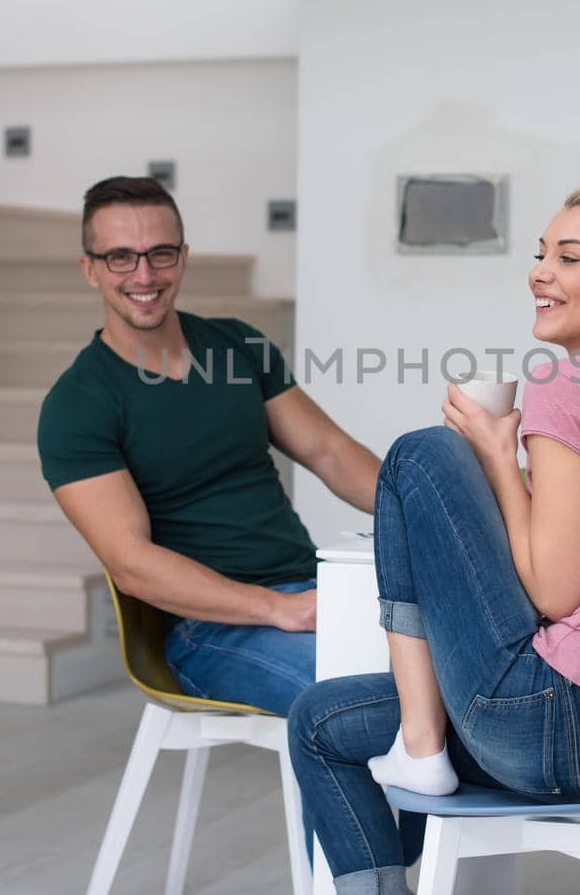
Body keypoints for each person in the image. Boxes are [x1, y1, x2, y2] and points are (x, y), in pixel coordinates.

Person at [287, 181, 580, 894]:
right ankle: (422, 740)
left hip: (559, 730)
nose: (540, 272)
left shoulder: (568, 385)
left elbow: (557, 593)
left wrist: (499, 455)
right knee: (324, 712)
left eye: (567, 257)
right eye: (540, 254)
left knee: (420, 454)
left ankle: (420, 742)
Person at [37, 176, 380, 716]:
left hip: (309, 590)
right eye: (121, 257)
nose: (144, 275)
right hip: (209, 627)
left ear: (183, 257)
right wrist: (276, 609)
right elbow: (131, 564)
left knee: (463, 667)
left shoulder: (235, 345)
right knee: (366, 703)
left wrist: (426, 508)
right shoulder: (78, 405)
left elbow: (329, 452)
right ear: (90, 268)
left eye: (160, 254)